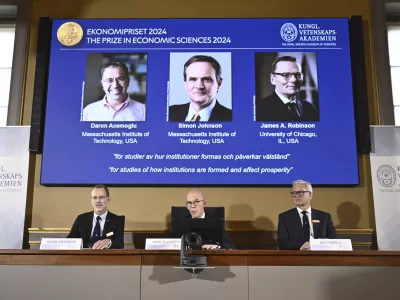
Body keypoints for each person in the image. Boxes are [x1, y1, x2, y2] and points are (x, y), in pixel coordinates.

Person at [277, 179, 337, 250]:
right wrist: (302, 246)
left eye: (300, 192)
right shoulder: (285, 217)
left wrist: (316, 245)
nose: (297, 196)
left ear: (310, 195)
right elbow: (282, 243)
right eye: (294, 193)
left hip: (320, 256)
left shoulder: (324, 217)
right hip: (296, 256)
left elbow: (335, 241)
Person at [169, 55, 232, 122]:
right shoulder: (170, 113)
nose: (199, 86)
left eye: (207, 79)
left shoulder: (231, 117)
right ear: (186, 84)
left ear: (219, 84)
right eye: (193, 79)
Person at [256, 56, 318, 122]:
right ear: (273, 79)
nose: (294, 80)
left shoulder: (310, 108)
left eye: (298, 75)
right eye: (285, 75)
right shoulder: (260, 109)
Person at [66, 184, 125, 249]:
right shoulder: (81, 219)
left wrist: (109, 242)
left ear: (108, 199)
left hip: (106, 257)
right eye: (95, 198)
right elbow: (69, 240)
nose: (98, 201)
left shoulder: (117, 220)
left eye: (101, 197)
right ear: (91, 201)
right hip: (83, 257)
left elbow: (120, 244)